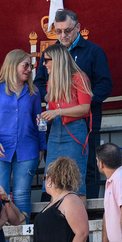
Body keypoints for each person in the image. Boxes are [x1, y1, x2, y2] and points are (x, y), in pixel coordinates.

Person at [35, 9, 113, 196]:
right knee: (54, 167)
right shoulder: (49, 53)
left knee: (87, 166)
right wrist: (48, 97)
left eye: (68, 30)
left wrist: (79, 100)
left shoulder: (93, 51)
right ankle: (54, 211)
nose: (63, 35)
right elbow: (38, 82)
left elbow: (105, 84)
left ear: (78, 27)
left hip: (85, 120)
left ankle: (88, 211)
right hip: (55, 122)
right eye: (59, 31)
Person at [0, 49, 43, 213]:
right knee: (0, 193)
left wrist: (42, 148)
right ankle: (3, 236)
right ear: (12, 65)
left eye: (30, 66)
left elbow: (39, 122)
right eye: (25, 65)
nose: (29, 69)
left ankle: (22, 236)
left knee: (22, 194)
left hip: (28, 149)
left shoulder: (34, 92)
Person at [40, 44, 92, 192]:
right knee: (51, 181)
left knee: (75, 184)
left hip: (75, 130)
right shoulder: (51, 82)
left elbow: (85, 108)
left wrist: (57, 112)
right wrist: (46, 117)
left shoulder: (79, 77)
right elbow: (54, 110)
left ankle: (77, 214)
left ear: (57, 60)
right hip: (56, 131)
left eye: (47, 60)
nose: (44, 64)